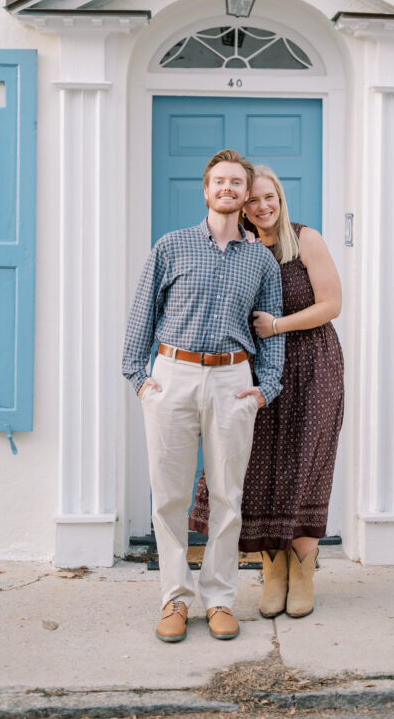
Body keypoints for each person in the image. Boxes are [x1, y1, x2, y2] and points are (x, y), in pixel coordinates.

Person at [122, 149, 285, 644]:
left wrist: (265, 388)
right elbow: (142, 314)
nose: (228, 188)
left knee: (227, 498)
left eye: (237, 182)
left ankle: (219, 600)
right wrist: (139, 377)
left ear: (245, 192)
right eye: (220, 181)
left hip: (232, 382)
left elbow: (271, 329)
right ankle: (174, 597)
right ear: (206, 188)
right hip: (172, 375)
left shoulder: (260, 259)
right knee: (169, 495)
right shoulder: (171, 246)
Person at [190, 164, 344, 620]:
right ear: (241, 204)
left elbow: (332, 305)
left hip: (313, 364)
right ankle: (271, 572)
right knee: (258, 468)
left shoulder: (306, 238)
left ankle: (303, 573)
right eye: (252, 199)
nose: (261, 206)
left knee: (304, 467)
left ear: (280, 197)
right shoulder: (238, 248)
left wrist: (277, 324)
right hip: (255, 371)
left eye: (268, 197)